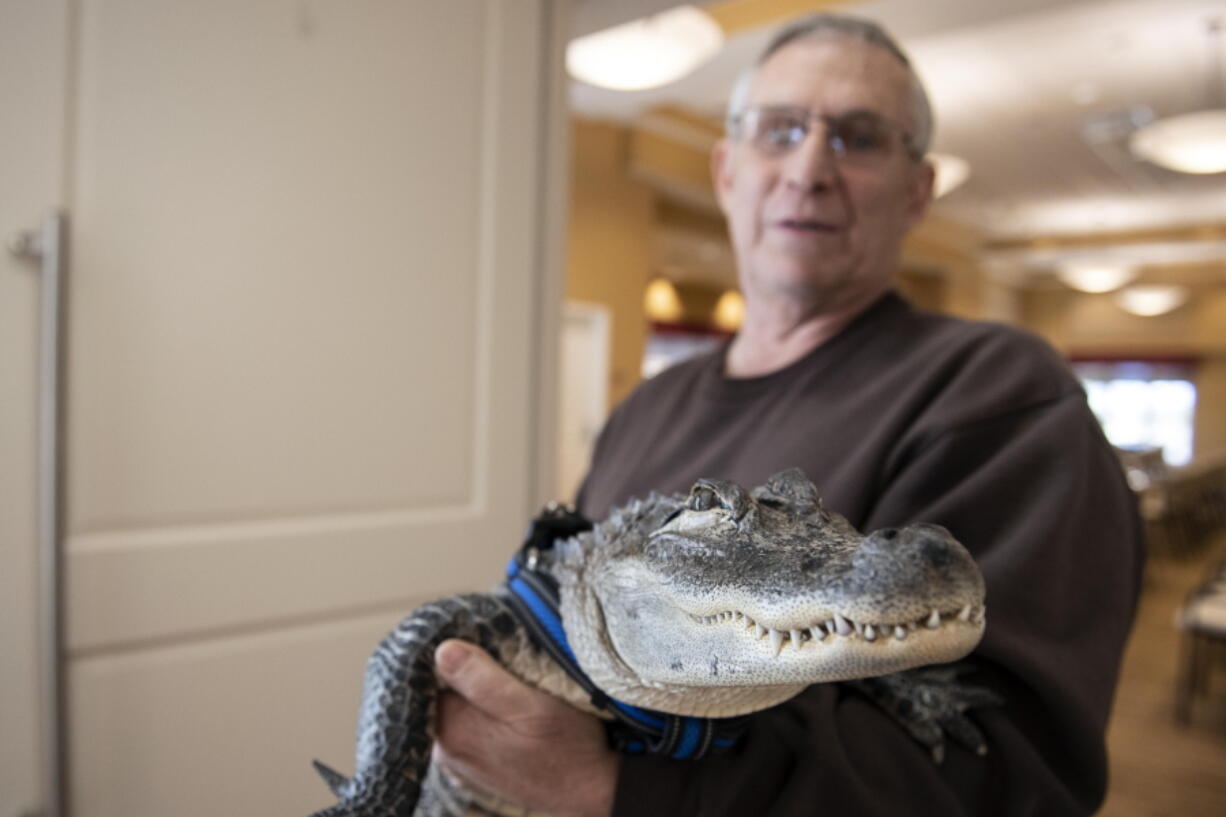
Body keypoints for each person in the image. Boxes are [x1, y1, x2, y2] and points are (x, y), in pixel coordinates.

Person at [433, 13, 1144, 816]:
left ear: (918, 191)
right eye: (779, 130)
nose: (808, 167)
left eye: (858, 137)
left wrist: (618, 788)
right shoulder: (647, 406)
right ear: (728, 169)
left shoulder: (998, 391)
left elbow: (1013, 775)